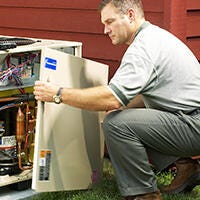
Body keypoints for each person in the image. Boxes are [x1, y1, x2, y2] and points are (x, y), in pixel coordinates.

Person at [34, 0, 200, 199]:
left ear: (130, 15)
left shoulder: (143, 49)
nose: (105, 30)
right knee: (121, 115)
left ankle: (144, 194)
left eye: (110, 22)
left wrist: (58, 94)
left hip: (193, 123)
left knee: (117, 124)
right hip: (188, 118)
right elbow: (134, 97)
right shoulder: (154, 36)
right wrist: (111, 106)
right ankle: (186, 168)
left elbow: (112, 98)